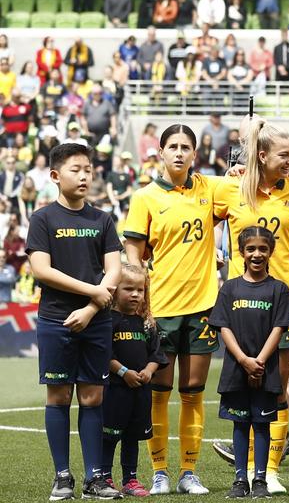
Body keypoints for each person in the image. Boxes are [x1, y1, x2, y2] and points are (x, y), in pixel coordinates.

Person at [212, 117, 289, 495]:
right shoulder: (228, 188)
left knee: (280, 386)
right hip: (240, 306)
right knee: (245, 387)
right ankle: (245, 471)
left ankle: (268, 470)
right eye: (285, 155)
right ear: (262, 155)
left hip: (284, 301)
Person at [121, 124, 220, 496]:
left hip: (203, 307)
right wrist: (138, 296)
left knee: (193, 392)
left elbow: (246, 187)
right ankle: (160, 470)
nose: (179, 152)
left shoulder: (209, 189)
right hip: (161, 308)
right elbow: (133, 253)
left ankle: (189, 471)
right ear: (160, 151)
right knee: (158, 393)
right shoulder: (144, 197)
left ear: (195, 154)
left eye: (186, 147)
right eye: (172, 146)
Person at [29, 142, 124, 501]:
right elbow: (42, 270)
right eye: (75, 169)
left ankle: (95, 478)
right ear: (55, 176)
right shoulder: (43, 218)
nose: (84, 175)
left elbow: (114, 268)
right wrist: (94, 292)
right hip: (55, 319)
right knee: (58, 396)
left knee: (92, 397)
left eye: (88, 169)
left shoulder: (102, 219)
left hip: (96, 320)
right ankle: (62, 476)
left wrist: (90, 309)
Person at [209, 228, 289, 500]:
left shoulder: (279, 289)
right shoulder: (230, 288)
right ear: (241, 253)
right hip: (236, 368)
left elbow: (279, 328)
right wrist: (244, 360)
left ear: (271, 252)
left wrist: (260, 362)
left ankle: (260, 480)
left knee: (262, 425)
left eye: (263, 249)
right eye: (251, 249)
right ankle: (240, 479)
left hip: (265, 369)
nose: (257, 254)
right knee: (240, 424)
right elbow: (223, 328)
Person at [102, 264, 168, 499]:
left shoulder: (148, 324)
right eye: (128, 289)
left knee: (132, 437)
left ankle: (130, 479)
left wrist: (149, 371)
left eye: (140, 290)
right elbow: (103, 354)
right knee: (109, 435)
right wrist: (123, 372)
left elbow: (156, 355)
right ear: (114, 289)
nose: (135, 295)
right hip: (114, 391)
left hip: (141, 392)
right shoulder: (107, 321)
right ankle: (104, 477)